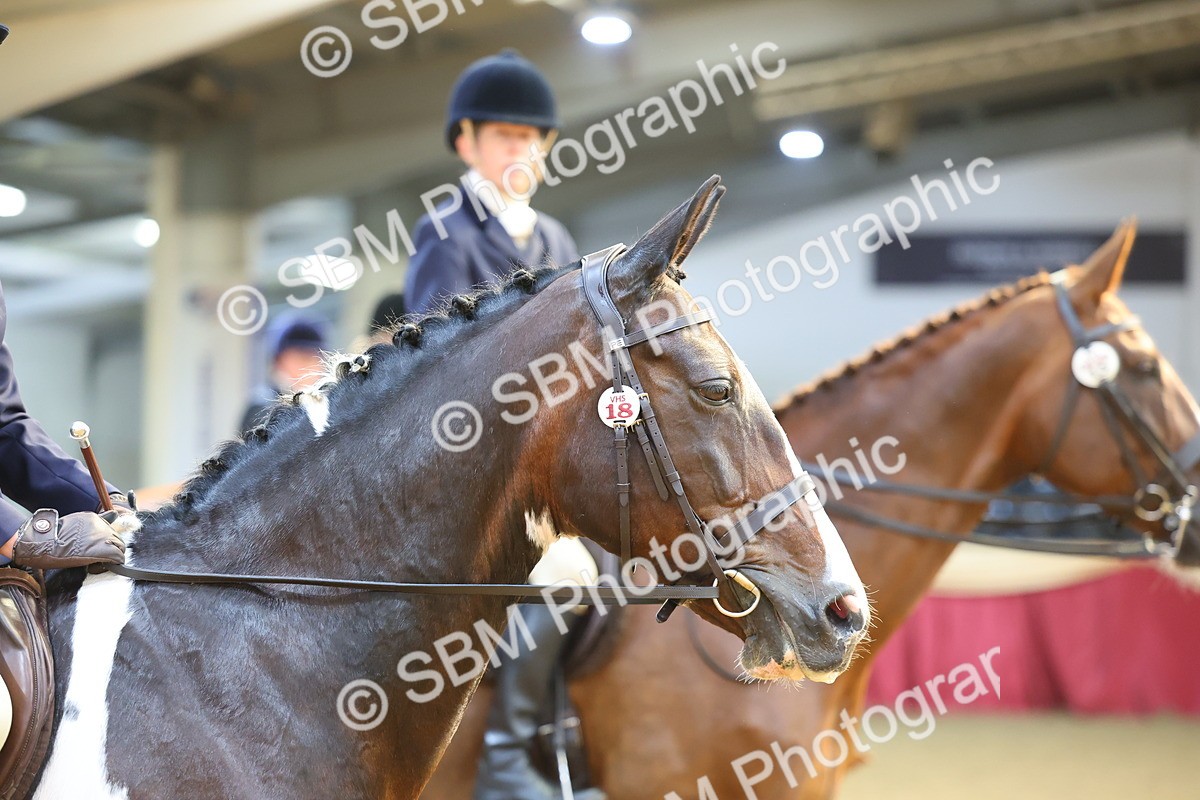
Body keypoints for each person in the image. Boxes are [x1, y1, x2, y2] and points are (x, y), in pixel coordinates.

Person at [405, 50, 604, 800]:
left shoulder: (554, 241)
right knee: (554, 582)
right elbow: (436, 362)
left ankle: (568, 736)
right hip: (471, 461)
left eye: (531, 138)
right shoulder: (447, 234)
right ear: (467, 143)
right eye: (504, 137)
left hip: (542, 464)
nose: (520, 150)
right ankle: (503, 754)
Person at [239, 314, 329, 437]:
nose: (312, 366)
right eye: (302, 358)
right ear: (279, 361)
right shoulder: (262, 405)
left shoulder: (325, 404)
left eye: (317, 358)